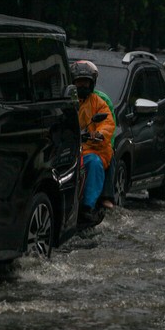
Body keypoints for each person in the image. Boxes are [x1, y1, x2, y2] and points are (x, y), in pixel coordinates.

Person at [71, 60, 116, 222]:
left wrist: (99, 134)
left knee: (95, 163)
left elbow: (108, 123)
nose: (82, 86)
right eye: (78, 82)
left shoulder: (99, 102)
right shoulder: (67, 101)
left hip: (91, 148)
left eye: (85, 82)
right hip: (67, 147)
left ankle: (87, 206)